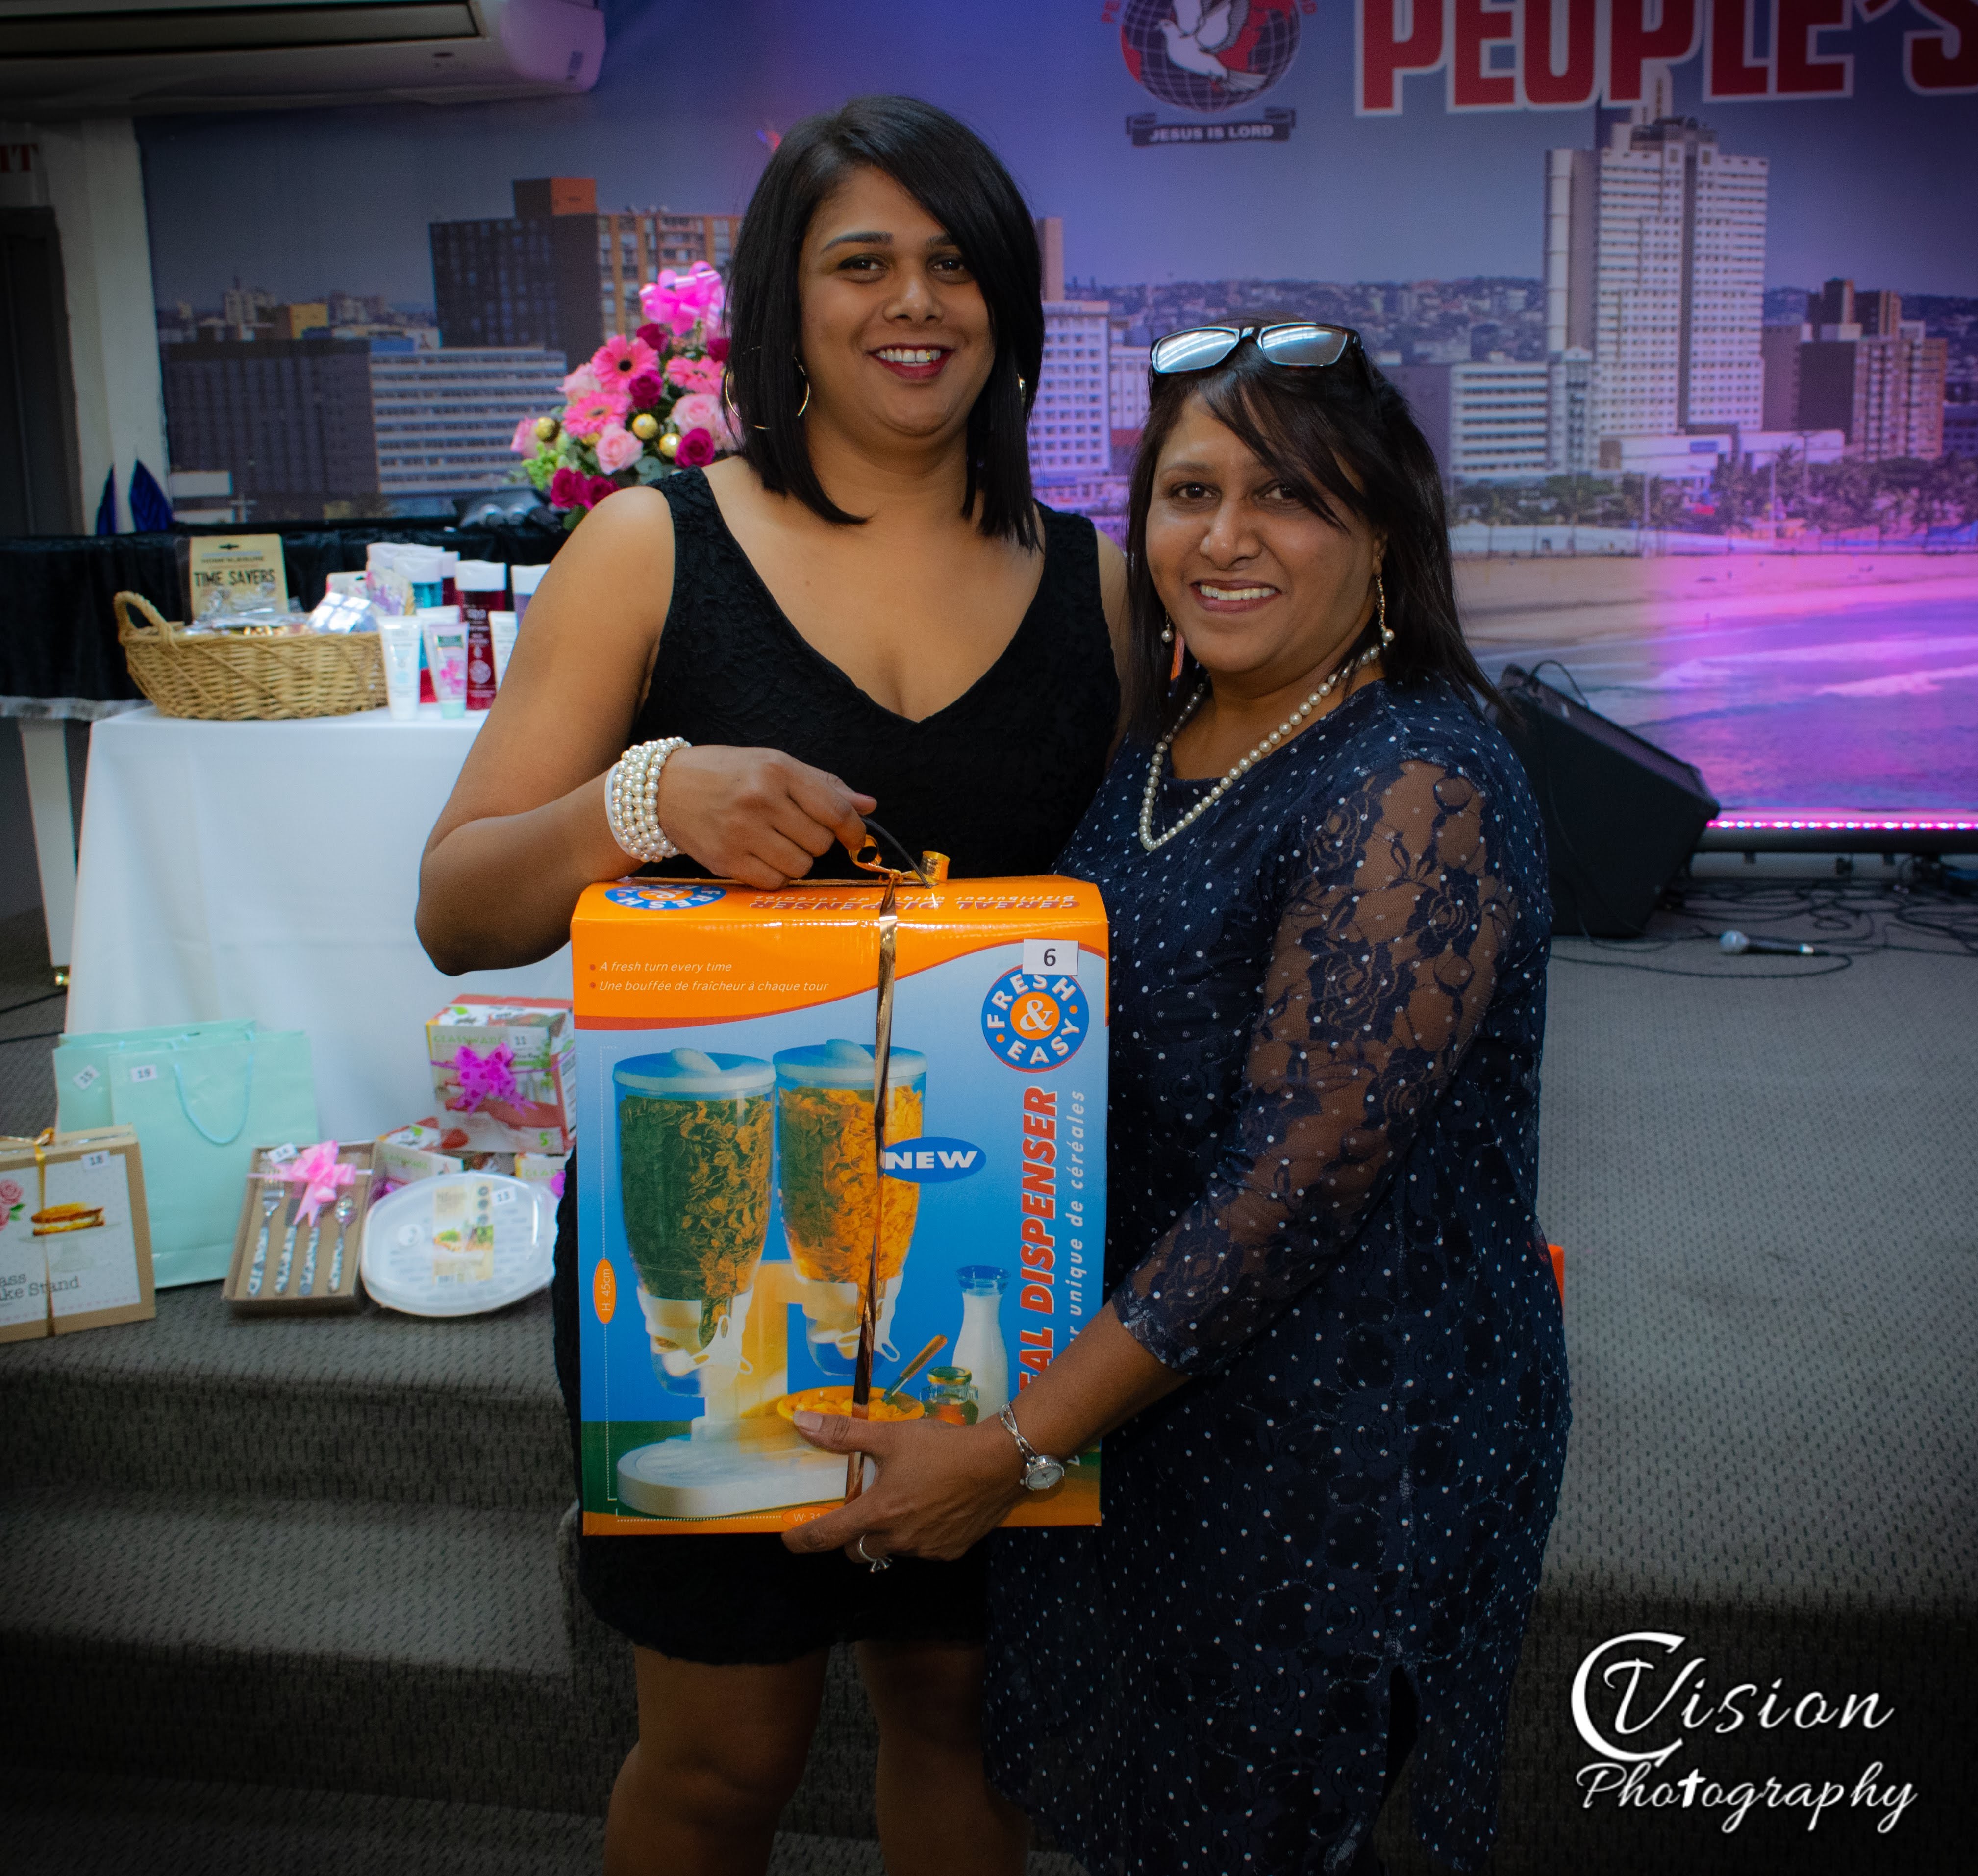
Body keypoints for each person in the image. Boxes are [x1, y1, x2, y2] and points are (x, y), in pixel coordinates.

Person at [416, 96, 1127, 1876]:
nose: (914, 302)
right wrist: (650, 797)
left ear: (1008, 304)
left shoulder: (1100, 586)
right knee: (723, 1751)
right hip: (704, 1245)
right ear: (783, 304)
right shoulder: (653, 545)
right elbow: (456, 909)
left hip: (989, 1252)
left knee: (962, 1712)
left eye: (952, 263)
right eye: (860, 262)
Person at [781, 322, 1571, 1874]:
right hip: (1145, 1391)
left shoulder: (1415, 779)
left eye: (1286, 496)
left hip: (1340, 1427)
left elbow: (1285, 1194)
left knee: (1263, 1823)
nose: (1222, 539)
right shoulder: (1168, 733)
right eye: (1189, 492)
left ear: (1383, 533)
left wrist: (1012, 1444)